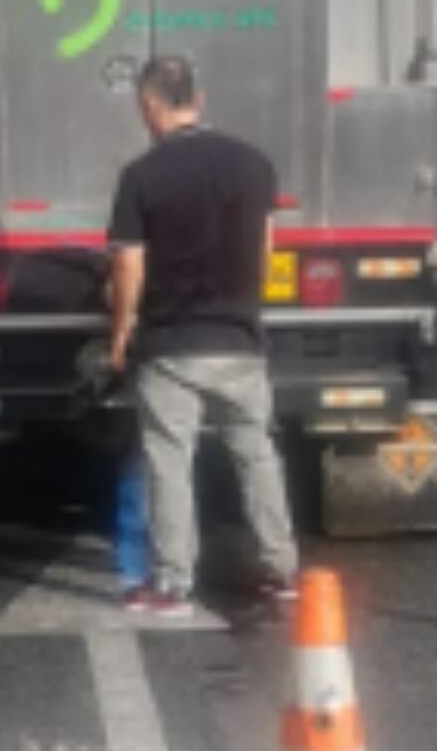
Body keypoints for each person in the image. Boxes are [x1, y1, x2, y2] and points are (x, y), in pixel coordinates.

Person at [107, 55, 298, 619]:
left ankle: (172, 584)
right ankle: (282, 570)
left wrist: (121, 333)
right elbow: (264, 252)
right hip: (239, 340)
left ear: (150, 106)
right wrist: (244, 308)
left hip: (171, 346)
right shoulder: (255, 165)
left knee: (170, 461)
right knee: (257, 455)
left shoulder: (141, 175)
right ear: (200, 99)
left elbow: (128, 264)